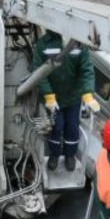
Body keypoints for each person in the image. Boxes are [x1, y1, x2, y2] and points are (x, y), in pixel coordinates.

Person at [30, 30, 101, 171]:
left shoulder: (80, 45)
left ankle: (70, 155)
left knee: (72, 127)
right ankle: (54, 155)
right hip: (53, 99)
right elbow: (39, 73)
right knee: (57, 126)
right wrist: (49, 95)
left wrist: (87, 94)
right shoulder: (43, 44)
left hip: (73, 98)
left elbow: (86, 70)